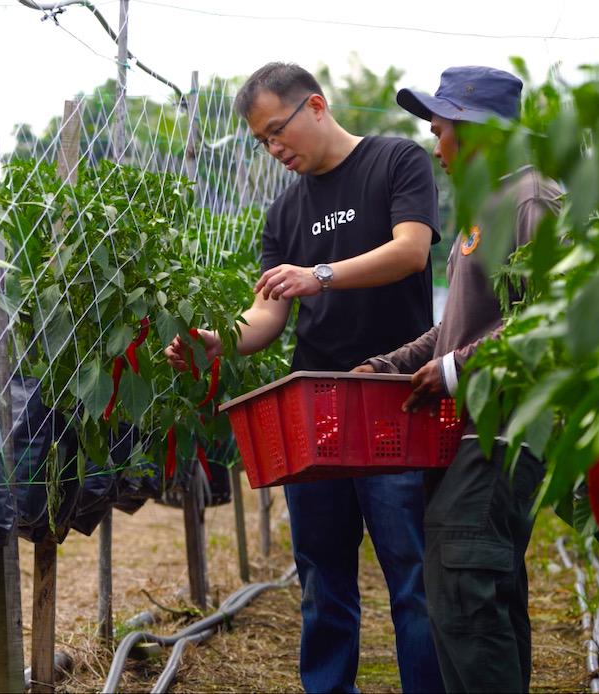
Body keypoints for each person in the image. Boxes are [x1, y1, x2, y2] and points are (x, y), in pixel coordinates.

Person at [166, 62, 444, 693]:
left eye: (277, 130)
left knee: (412, 579)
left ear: (315, 106)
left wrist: (319, 274)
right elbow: (265, 316)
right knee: (322, 581)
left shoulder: (396, 161)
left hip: (394, 400)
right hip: (316, 411)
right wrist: (215, 345)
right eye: (262, 141)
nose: (273, 148)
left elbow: (410, 251)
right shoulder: (284, 213)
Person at [353, 66, 564, 692]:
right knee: (482, 590)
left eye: (440, 130)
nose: (434, 146)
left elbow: (555, 315)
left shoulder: (531, 200)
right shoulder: (486, 208)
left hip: (503, 428)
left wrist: (454, 370)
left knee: (462, 582)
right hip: (473, 430)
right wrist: (391, 365)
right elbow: (457, 329)